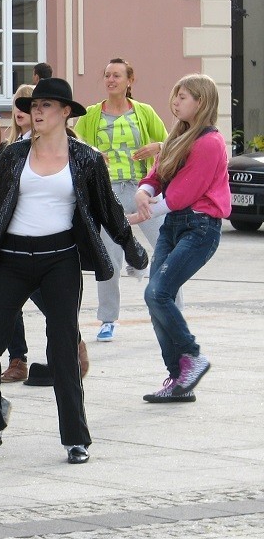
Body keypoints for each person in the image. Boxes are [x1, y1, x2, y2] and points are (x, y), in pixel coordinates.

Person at [0, 78, 148, 464]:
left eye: (46, 105)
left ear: (65, 113)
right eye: (34, 105)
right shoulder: (12, 155)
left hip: (60, 259)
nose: (37, 111)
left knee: (62, 349)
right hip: (12, 259)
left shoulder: (86, 159)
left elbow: (108, 208)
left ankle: (75, 438)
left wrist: (130, 245)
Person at [0, 84, 90, 383]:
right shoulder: (13, 149)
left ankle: (71, 347)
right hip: (12, 250)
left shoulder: (77, 152)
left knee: (51, 310)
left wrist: (125, 240)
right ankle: (18, 359)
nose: (30, 110)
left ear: (64, 112)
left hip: (56, 253)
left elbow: (96, 205)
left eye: (44, 105)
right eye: (28, 105)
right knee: (5, 307)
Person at [129, 74, 230, 403]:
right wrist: (145, 190)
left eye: (183, 97)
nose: (175, 102)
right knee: (153, 295)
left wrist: (143, 212)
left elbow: (185, 192)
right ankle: (179, 377)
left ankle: (192, 357)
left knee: (158, 292)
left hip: (200, 227)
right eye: (175, 96)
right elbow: (157, 173)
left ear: (201, 102)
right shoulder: (179, 136)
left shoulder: (210, 142)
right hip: (175, 225)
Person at [75, 58, 174, 342]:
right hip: (107, 193)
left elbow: (171, 144)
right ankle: (107, 319)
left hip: (143, 189)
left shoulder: (144, 112)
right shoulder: (93, 114)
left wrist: (158, 146)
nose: (110, 80)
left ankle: (173, 315)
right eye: (107, 75)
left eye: (116, 75)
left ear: (130, 80)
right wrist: (92, 152)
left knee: (167, 248)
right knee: (109, 259)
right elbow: (75, 146)